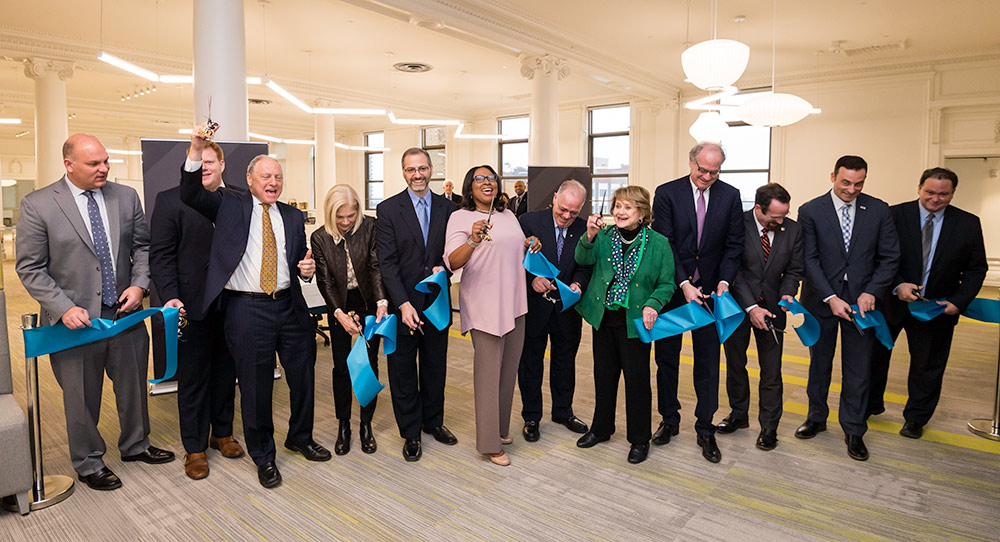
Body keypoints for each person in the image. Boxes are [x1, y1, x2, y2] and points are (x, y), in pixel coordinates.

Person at [15, 134, 174, 491]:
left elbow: (143, 248)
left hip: (125, 315)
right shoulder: (38, 205)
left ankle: (136, 445)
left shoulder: (125, 196)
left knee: (133, 386)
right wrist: (63, 307)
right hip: (74, 323)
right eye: (93, 163)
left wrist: (139, 285)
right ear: (69, 164)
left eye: (105, 161)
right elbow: (30, 268)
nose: (103, 168)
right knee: (81, 397)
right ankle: (88, 462)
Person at [180, 128, 329, 489]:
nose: (273, 182)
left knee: (303, 377)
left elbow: (298, 261)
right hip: (247, 310)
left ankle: (300, 437)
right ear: (249, 180)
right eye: (266, 176)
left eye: (278, 177)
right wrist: (197, 150)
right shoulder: (229, 204)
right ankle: (263, 455)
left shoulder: (293, 217)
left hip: (290, 307)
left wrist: (305, 270)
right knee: (256, 386)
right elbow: (191, 193)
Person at [867, 167, 986, 439]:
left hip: (937, 308)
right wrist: (897, 284)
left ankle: (916, 419)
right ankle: (870, 405)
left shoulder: (968, 223)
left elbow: (976, 269)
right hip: (890, 303)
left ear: (953, 193)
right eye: (930, 192)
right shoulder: (894, 215)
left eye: (943, 194)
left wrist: (958, 301)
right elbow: (877, 257)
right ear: (919, 187)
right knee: (874, 358)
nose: (935, 199)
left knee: (927, 366)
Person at [150, 139, 243, 480]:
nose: (205, 167)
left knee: (225, 373)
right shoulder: (170, 200)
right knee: (193, 379)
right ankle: (195, 448)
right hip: (190, 304)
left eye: (211, 162)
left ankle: (222, 434)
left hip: (234, 303)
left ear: (222, 165)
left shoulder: (240, 199)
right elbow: (160, 256)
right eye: (199, 161)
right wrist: (171, 296)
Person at [796, 155, 899, 461]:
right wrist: (830, 296)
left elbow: (890, 257)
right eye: (845, 182)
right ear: (833, 176)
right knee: (820, 364)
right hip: (821, 301)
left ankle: (854, 428)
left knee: (858, 368)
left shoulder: (878, 210)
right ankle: (816, 417)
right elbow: (808, 260)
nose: (851, 189)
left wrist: (872, 291)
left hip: (862, 303)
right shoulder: (811, 210)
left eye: (858, 183)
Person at [650, 142, 743, 463]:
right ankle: (669, 419)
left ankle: (705, 427)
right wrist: (684, 283)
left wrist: (723, 282)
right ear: (691, 163)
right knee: (667, 359)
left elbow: (734, 245)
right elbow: (665, 244)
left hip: (712, 293)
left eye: (714, 172)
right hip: (673, 291)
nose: (706, 177)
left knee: (707, 361)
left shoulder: (730, 196)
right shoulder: (667, 193)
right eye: (702, 170)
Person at [444, 165, 541, 466]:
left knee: (508, 371)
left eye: (491, 178)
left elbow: (516, 250)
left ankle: (500, 429)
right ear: (469, 187)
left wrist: (531, 244)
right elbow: (451, 261)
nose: (487, 183)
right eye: (479, 179)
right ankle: (488, 443)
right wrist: (472, 240)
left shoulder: (509, 215)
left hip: (514, 301)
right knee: (487, 375)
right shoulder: (460, 218)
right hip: (484, 303)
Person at [574, 186, 676, 464]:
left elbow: (667, 283)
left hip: (635, 324)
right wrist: (589, 235)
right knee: (603, 378)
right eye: (618, 206)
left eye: (628, 207)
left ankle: (639, 439)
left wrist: (653, 303)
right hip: (604, 319)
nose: (620, 212)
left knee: (637, 382)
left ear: (642, 213)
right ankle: (602, 429)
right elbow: (582, 259)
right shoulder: (604, 237)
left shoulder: (658, 243)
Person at [375, 147, 458, 462]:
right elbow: (387, 263)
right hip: (404, 306)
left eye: (423, 168)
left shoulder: (449, 209)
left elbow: (455, 254)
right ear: (403, 172)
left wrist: (446, 270)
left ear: (431, 169)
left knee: (436, 366)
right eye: (411, 170)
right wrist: (403, 303)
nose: (418, 175)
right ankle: (410, 433)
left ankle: (433, 422)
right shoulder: (388, 210)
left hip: (436, 303)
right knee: (403, 371)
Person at [720, 183, 804, 451]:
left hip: (774, 308)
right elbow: (734, 269)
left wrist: (789, 293)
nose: (781, 222)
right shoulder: (737, 224)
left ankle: (769, 426)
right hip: (738, 306)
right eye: (775, 217)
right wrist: (750, 308)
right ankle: (738, 414)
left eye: (784, 215)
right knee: (735, 363)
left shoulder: (793, 230)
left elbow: (794, 269)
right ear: (758, 208)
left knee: (771, 369)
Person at [311, 185, 388, 455]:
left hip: (369, 302)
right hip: (340, 306)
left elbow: (375, 267)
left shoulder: (370, 228)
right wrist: (338, 313)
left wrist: (381, 302)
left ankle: (366, 424)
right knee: (342, 366)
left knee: (370, 363)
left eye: (351, 216)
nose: (345, 223)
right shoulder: (319, 237)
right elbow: (325, 280)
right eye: (340, 218)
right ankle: (344, 425)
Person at [516, 180, 592, 442]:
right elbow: (513, 262)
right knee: (530, 365)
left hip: (567, 309)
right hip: (534, 308)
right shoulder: (528, 222)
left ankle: (563, 411)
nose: (567, 216)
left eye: (574, 212)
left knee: (565, 363)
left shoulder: (584, 230)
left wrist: (578, 284)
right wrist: (530, 280)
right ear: (555, 197)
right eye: (563, 209)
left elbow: (585, 265)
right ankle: (532, 417)